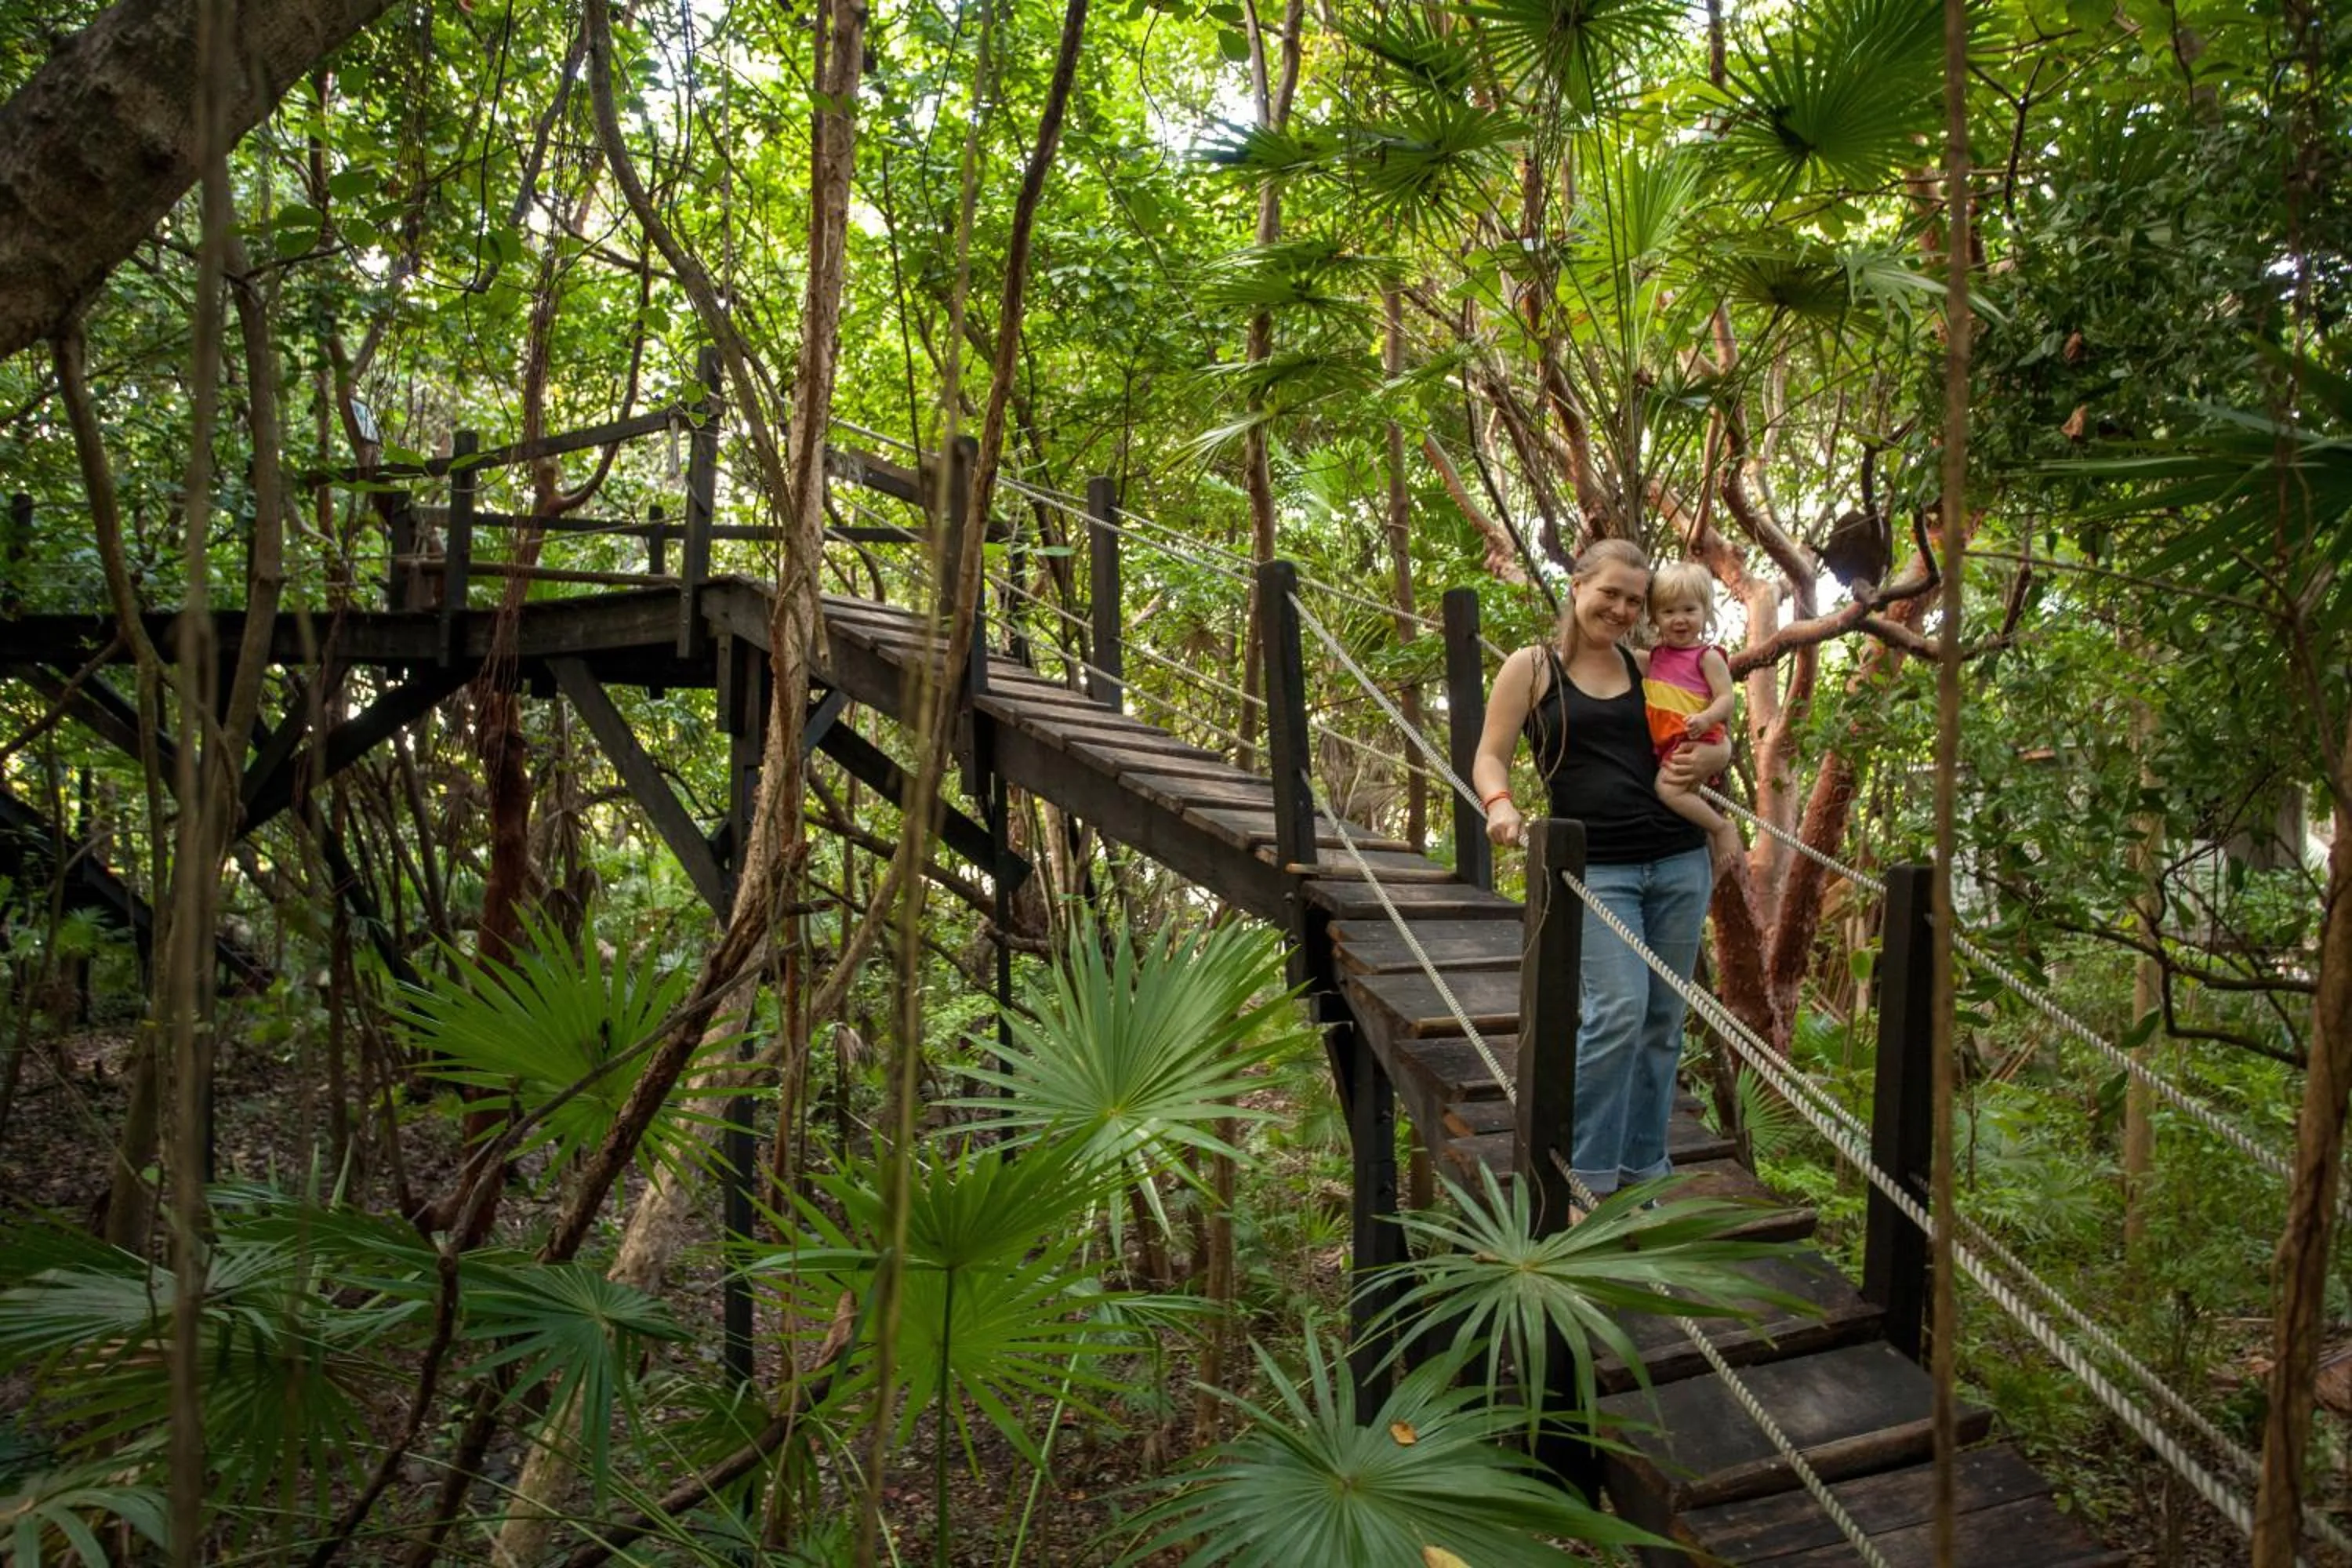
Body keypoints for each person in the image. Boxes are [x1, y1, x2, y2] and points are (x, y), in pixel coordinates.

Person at [1471, 539, 1731, 1208]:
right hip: (1598, 869)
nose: (1619, 609)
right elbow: (1490, 756)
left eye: (1633, 601)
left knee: (1663, 1019)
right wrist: (1500, 806)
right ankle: (1583, 1178)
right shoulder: (1531, 668)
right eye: (1609, 593)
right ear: (1578, 585)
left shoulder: (1650, 668)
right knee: (1618, 1012)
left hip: (1677, 860)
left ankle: (1644, 1168)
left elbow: (1706, 738)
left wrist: (1713, 759)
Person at [1642, 560, 1744, 876]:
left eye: (1689, 610)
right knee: (1686, 797)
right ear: (1655, 617)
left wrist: (1706, 718)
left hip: (1697, 737)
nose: (1679, 620)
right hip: (1672, 741)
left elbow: (1727, 697)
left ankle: (1722, 828)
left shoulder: (1707, 656)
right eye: (1669, 612)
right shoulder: (1657, 655)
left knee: (1668, 790)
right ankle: (1711, 863)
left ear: (1705, 612)